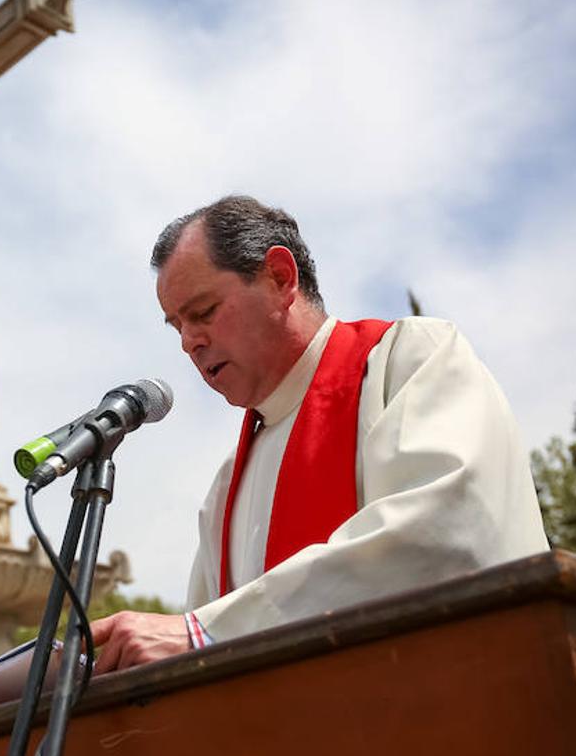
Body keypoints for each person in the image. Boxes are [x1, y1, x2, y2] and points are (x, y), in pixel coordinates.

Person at [91, 195, 548, 673]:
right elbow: (194, 658)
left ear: (280, 278)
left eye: (203, 312)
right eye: (177, 326)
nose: (189, 342)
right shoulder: (227, 485)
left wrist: (212, 633)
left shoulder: (413, 362)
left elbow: (447, 536)